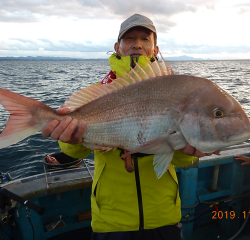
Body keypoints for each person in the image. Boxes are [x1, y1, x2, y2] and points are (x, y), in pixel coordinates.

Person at [42, 14, 220, 240]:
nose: (137, 44)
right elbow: (75, 150)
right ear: (118, 47)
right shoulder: (98, 92)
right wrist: (68, 139)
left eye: (145, 39)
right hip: (111, 218)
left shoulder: (175, 91)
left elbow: (180, 158)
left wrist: (188, 153)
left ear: (155, 49)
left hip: (163, 214)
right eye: (129, 38)